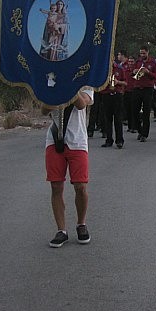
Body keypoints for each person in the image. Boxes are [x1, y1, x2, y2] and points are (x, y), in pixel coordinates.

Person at [42, 87, 94, 247]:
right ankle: (61, 230)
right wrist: (54, 92)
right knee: (56, 185)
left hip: (77, 140)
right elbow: (44, 109)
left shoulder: (85, 83)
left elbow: (81, 104)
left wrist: (70, 83)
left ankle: (81, 224)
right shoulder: (51, 81)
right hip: (55, 139)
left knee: (80, 186)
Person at [99, 57, 127, 148]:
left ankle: (119, 140)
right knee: (107, 119)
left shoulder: (119, 69)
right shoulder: (103, 69)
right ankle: (109, 140)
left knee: (118, 119)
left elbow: (126, 83)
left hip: (117, 95)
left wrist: (118, 82)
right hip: (106, 95)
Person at [132, 46, 156, 142]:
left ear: (147, 52)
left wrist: (148, 72)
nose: (142, 55)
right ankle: (139, 130)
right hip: (137, 87)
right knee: (135, 110)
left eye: (144, 53)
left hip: (148, 88)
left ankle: (144, 134)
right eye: (141, 53)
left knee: (146, 111)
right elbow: (132, 73)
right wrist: (134, 71)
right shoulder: (138, 62)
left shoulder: (153, 63)